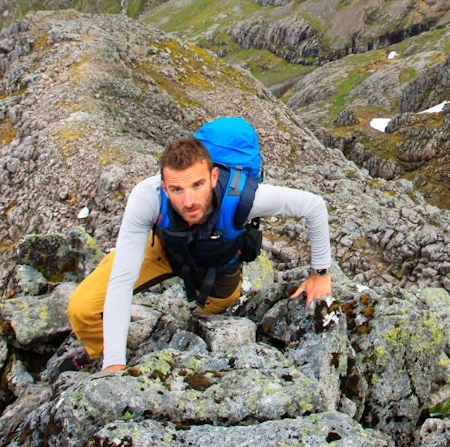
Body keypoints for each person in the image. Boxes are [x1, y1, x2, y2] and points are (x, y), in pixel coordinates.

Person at [63, 135, 333, 373]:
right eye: (177, 190)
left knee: (211, 314)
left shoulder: (243, 197)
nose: (188, 201)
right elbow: (121, 281)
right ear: (164, 186)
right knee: (82, 309)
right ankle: (96, 354)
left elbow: (314, 206)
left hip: (218, 264)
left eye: (197, 185)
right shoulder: (147, 197)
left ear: (214, 177)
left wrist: (320, 273)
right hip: (164, 250)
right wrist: (113, 364)